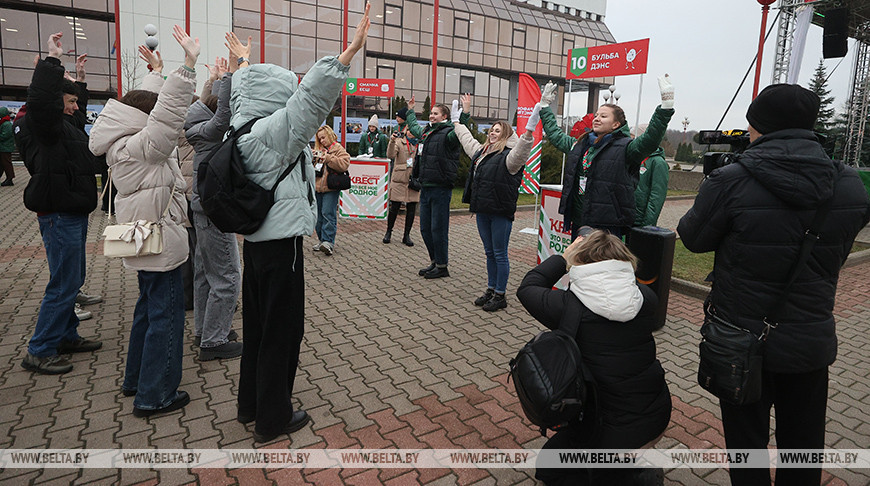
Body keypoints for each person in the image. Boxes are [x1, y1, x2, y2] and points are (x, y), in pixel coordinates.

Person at [677, 84, 870, 486]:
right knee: (803, 445)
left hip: (740, 339)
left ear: (759, 126)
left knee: (746, 445)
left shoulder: (731, 180)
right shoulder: (848, 183)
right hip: (809, 339)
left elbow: (693, 239)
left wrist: (715, 187)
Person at [229, 3, 370, 443]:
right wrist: (348, 52)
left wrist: (243, 65)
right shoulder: (276, 130)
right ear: (276, 96)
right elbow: (311, 98)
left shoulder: (242, 125)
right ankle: (273, 418)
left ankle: (250, 405)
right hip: (281, 245)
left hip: (255, 244)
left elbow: (244, 92)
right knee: (283, 333)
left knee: (257, 327)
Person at [89, 26, 200, 417]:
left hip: (141, 240)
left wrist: (157, 71)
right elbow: (165, 116)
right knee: (164, 319)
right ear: (142, 117)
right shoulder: (142, 145)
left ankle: (136, 379)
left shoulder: (122, 138)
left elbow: (146, 105)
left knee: (146, 310)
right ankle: (155, 396)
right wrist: (186, 68)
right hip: (159, 242)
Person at [517, 228, 671, 485]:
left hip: (605, 429)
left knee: (549, 469)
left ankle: (627, 475)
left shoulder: (566, 307)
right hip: (656, 415)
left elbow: (529, 286)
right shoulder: (646, 299)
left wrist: (563, 259)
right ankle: (627, 468)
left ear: (581, 262)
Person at [15, 32, 102, 375]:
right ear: (56, 104)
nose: (77, 107)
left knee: (71, 277)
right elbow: (42, 101)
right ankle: (39, 348)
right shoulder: (46, 124)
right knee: (64, 283)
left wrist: (79, 80)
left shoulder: (67, 124)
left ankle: (66, 335)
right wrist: (52, 61)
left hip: (72, 211)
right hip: (59, 213)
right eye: (71, 101)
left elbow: (76, 114)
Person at [539, 76, 675, 239]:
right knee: (579, 263)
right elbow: (556, 136)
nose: (597, 119)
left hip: (607, 224)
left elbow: (649, 140)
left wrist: (665, 109)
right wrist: (545, 106)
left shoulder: (626, 147)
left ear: (616, 124)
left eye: (603, 116)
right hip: (580, 220)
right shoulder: (581, 144)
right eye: (596, 115)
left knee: (602, 263)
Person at [184, 57, 243, 361]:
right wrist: (232, 74)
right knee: (229, 277)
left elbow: (217, 106)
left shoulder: (196, 122)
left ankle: (204, 330)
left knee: (206, 275)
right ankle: (214, 340)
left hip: (202, 210)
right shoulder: (209, 128)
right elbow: (223, 114)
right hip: (212, 212)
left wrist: (219, 78)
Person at [454, 94, 536, 311]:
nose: (492, 132)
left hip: (500, 211)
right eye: (491, 129)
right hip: (482, 210)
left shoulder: (510, 157)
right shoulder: (481, 152)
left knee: (500, 253)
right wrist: (456, 122)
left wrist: (529, 130)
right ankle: (491, 289)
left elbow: (523, 149)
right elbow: (467, 140)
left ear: (506, 135)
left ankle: (500, 295)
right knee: (489, 252)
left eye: (497, 130)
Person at [405, 97, 464, 278]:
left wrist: (463, 117)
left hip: (440, 187)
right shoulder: (427, 133)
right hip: (426, 185)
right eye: (431, 113)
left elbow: (460, 133)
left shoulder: (449, 133)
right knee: (425, 229)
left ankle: (442, 266)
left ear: (444, 116)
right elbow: (414, 128)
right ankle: (434, 261)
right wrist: (410, 111)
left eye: (435, 113)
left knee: (438, 229)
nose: (431, 115)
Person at [312, 125, 350, 256]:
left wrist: (328, 158)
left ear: (329, 135)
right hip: (317, 187)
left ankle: (328, 242)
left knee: (328, 214)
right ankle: (322, 240)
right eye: (319, 139)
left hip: (331, 187)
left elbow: (345, 164)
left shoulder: (338, 148)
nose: (322, 141)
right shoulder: (319, 149)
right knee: (318, 216)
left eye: (323, 137)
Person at [383, 125, 420, 246]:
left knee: (411, 208)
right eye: (408, 130)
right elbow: (390, 155)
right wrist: (392, 141)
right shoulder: (399, 142)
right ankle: (388, 232)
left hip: (413, 180)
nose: (410, 133)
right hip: (399, 179)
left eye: (412, 131)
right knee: (395, 207)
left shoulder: (420, 144)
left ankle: (406, 235)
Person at [632, 123, 669, 227]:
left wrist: (647, 225)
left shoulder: (658, 162)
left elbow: (657, 197)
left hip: (640, 222)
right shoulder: (634, 157)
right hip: (627, 218)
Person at [0, 106, 15, 186]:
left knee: (6, 163)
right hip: (3, 147)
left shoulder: (6, 124)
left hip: (5, 147)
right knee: (2, 163)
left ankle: (10, 178)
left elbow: (5, 135)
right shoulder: (4, 122)